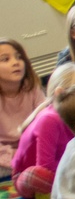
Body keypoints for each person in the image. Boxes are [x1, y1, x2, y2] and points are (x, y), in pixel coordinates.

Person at [12, 64, 75, 199]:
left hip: (64, 166)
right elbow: (45, 166)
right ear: (60, 94)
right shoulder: (49, 119)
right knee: (37, 175)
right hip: (32, 175)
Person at [0, 38, 45, 178]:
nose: (16, 62)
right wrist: (15, 157)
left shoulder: (32, 88)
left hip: (30, 149)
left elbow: (44, 122)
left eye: (19, 57)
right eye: (5, 59)